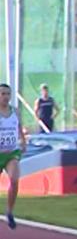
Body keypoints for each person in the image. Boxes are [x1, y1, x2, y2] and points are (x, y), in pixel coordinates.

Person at [0, 84, 26, 229]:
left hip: (11, 152)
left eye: (8, 94)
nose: (6, 97)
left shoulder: (15, 111)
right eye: (3, 94)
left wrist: (23, 140)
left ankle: (10, 211)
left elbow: (19, 128)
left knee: (14, 180)